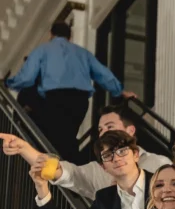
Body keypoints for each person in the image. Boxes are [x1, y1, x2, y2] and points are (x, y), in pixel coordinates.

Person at [5, 21, 134, 161]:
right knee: (69, 134)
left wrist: (8, 83)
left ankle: (61, 168)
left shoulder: (42, 50)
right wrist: (120, 91)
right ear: (70, 36)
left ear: (51, 34)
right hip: (80, 100)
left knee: (54, 135)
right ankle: (69, 164)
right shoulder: (83, 53)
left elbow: (26, 78)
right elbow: (103, 74)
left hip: (55, 97)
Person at [0, 104, 170, 200]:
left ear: (130, 130)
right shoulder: (97, 170)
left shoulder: (159, 163)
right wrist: (23, 148)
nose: (103, 133)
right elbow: (64, 171)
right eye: (100, 129)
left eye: (110, 127)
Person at [31, 130, 152, 209]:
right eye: (107, 155)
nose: (116, 159)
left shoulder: (161, 183)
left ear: (136, 154)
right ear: (103, 167)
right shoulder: (106, 200)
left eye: (122, 151)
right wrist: (41, 186)